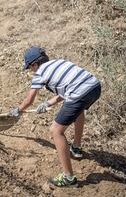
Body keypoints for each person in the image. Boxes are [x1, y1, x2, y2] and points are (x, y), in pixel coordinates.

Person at [9, 46, 101, 188]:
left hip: (79, 92)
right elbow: (67, 88)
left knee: (55, 131)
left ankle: (68, 178)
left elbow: (29, 100)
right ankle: (76, 148)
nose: (31, 71)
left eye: (30, 68)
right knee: (79, 111)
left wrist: (18, 110)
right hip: (94, 87)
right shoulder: (59, 62)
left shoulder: (39, 73)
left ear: (35, 64)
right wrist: (48, 102)